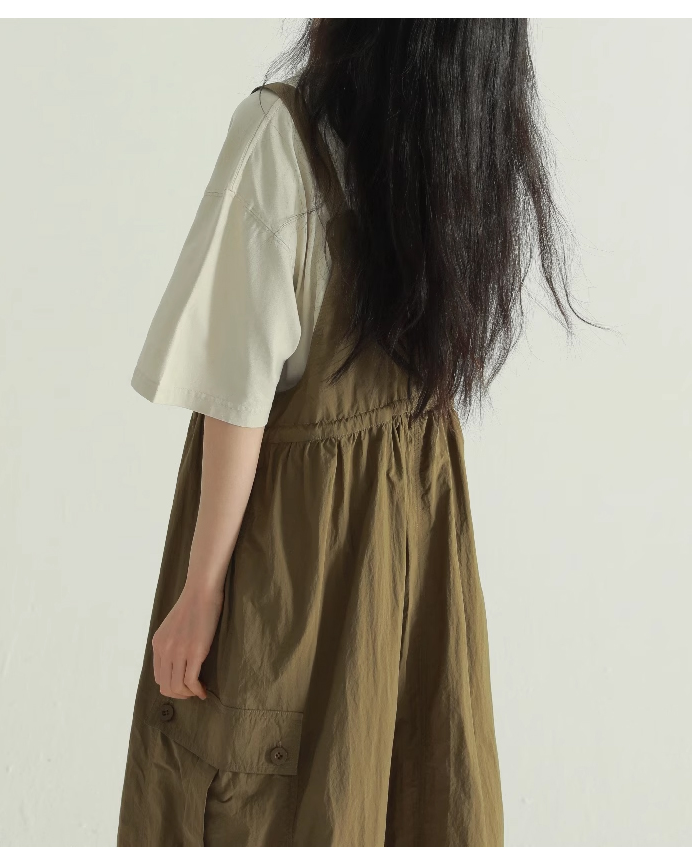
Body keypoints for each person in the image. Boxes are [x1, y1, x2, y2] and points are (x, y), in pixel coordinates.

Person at [117, 19, 596, 847]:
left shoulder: (281, 136)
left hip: (295, 547)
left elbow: (238, 394)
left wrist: (201, 591)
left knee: (261, 796)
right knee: (404, 781)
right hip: (420, 532)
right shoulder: (461, 143)